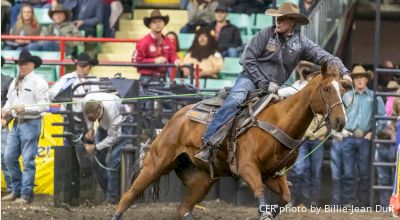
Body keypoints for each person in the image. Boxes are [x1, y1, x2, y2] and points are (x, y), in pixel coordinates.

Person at [194, 2, 352, 163]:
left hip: (273, 88)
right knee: (234, 101)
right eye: (277, 18)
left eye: (283, 19)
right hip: (250, 79)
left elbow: (327, 57)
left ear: (293, 22)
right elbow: (247, 59)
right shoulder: (265, 34)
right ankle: (207, 143)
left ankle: (272, 163)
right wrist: (262, 82)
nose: (278, 21)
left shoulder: (301, 44)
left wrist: (345, 72)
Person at [1, 49, 50, 204]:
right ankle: (17, 190)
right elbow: (10, 100)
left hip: (31, 123)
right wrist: (5, 109)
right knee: (8, 157)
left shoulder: (39, 82)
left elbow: (45, 105)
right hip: (16, 123)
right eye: (20, 63)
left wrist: (26, 109)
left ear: (32, 65)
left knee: (28, 159)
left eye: (25, 63)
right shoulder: (16, 81)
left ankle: (25, 194)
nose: (22, 66)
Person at [341, 65, 386, 207]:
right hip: (349, 136)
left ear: (367, 79)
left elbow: (382, 118)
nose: (359, 80)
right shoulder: (346, 96)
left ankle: (364, 202)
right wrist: (341, 131)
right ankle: (349, 201)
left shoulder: (374, 97)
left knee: (365, 172)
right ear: (353, 81)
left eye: (362, 77)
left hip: (365, 138)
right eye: (356, 78)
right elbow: (337, 116)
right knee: (348, 172)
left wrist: (374, 132)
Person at [82, 92, 132, 204]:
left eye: (93, 118)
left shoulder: (112, 110)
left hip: (123, 125)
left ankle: (112, 198)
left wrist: (95, 146)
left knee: (113, 161)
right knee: (97, 159)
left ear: (99, 111)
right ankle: (108, 192)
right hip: (105, 124)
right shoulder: (86, 101)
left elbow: (114, 136)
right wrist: (90, 129)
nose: (91, 120)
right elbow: (88, 117)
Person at [132, 9, 180, 87]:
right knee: (148, 99)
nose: (158, 24)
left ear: (164, 24)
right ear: (150, 25)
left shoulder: (168, 41)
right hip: (147, 79)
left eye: (160, 21)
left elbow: (172, 54)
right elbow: (135, 61)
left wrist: (176, 60)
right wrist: (154, 61)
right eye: (154, 22)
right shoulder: (143, 42)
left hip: (163, 78)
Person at [1, 56, 14, 194]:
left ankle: (13, 188)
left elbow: (12, 102)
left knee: (5, 157)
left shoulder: (7, 81)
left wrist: (6, 119)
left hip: (1, 124)